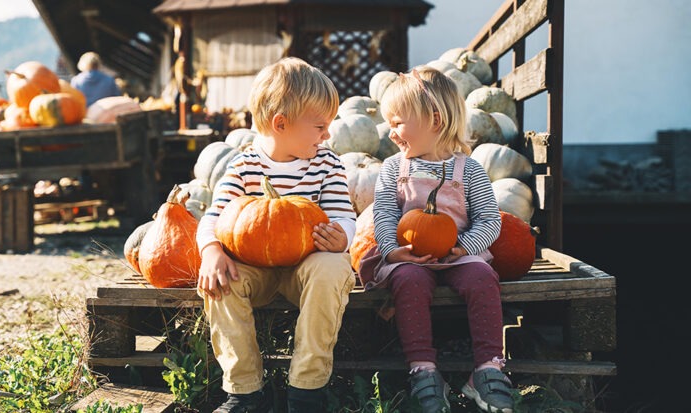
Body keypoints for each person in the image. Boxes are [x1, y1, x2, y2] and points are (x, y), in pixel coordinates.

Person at [196, 57, 357, 413]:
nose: (327, 134)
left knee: (333, 267)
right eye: (319, 126)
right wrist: (210, 251)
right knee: (220, 282)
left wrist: (342, 236)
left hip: (305, 270)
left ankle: (307, 388)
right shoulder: (243, 167)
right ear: (281, 124)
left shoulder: (327, 164)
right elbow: (213, 216)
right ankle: (245, 391)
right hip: (256, 269)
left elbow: (345, 215)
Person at [357, 67, 512, 413]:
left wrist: (466, 246)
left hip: (458, 253)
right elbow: (384, 215)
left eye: (398, 123)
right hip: (410, 256)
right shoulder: (393, 169)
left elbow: (489, 219)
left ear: (435, 120)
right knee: (409, 282)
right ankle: (423, 369)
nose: (392, 133)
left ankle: (487, 368)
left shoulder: (468, 169)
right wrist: (392, 251)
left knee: (482, 278)